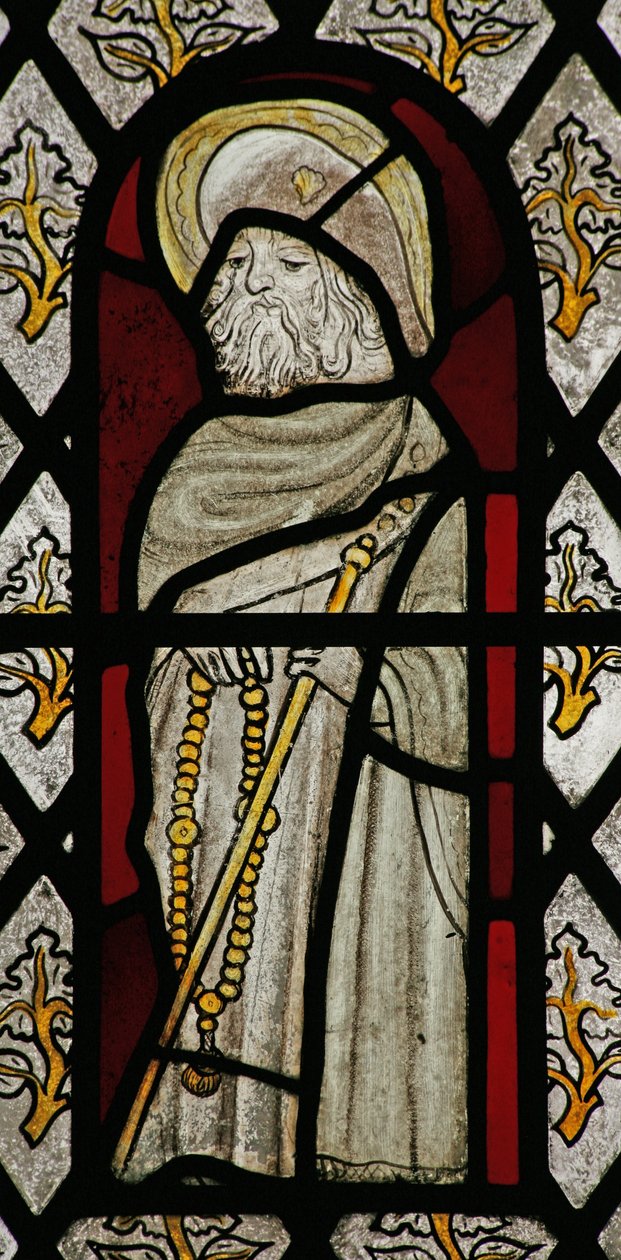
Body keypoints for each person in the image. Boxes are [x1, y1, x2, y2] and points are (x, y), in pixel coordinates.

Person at [120, 100, 469, 1184]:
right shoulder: (200, 466)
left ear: (349, 289)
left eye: (277, 266)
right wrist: (192, 639)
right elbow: (152, 631)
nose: (244, 291)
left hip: (365, 818)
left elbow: (462, 667)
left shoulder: (418, 455)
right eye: (232, 267)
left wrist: (361, 672)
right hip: (219, 787)